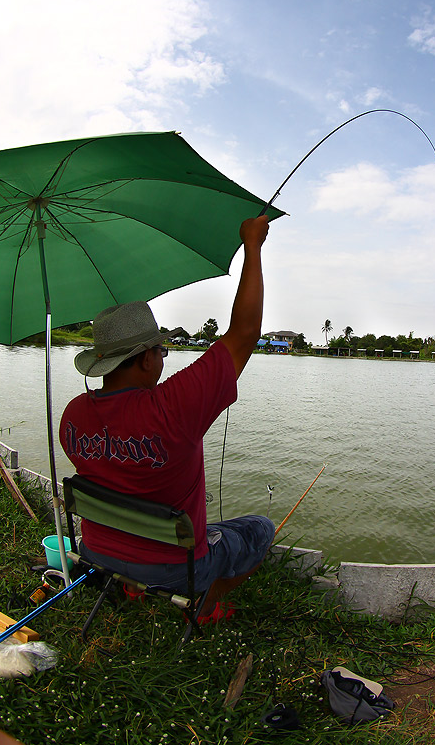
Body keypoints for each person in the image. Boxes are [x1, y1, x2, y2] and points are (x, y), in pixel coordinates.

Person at [59, 215, 274, 617]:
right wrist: (253, 245)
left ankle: (131, 587)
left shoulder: (72, 415)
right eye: (160, 351)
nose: (163, 358)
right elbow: (244, 333)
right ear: (143, 361)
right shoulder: (172, 407)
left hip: (96, 554)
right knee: (259, 528)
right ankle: (209, 599)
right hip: (177, 569)